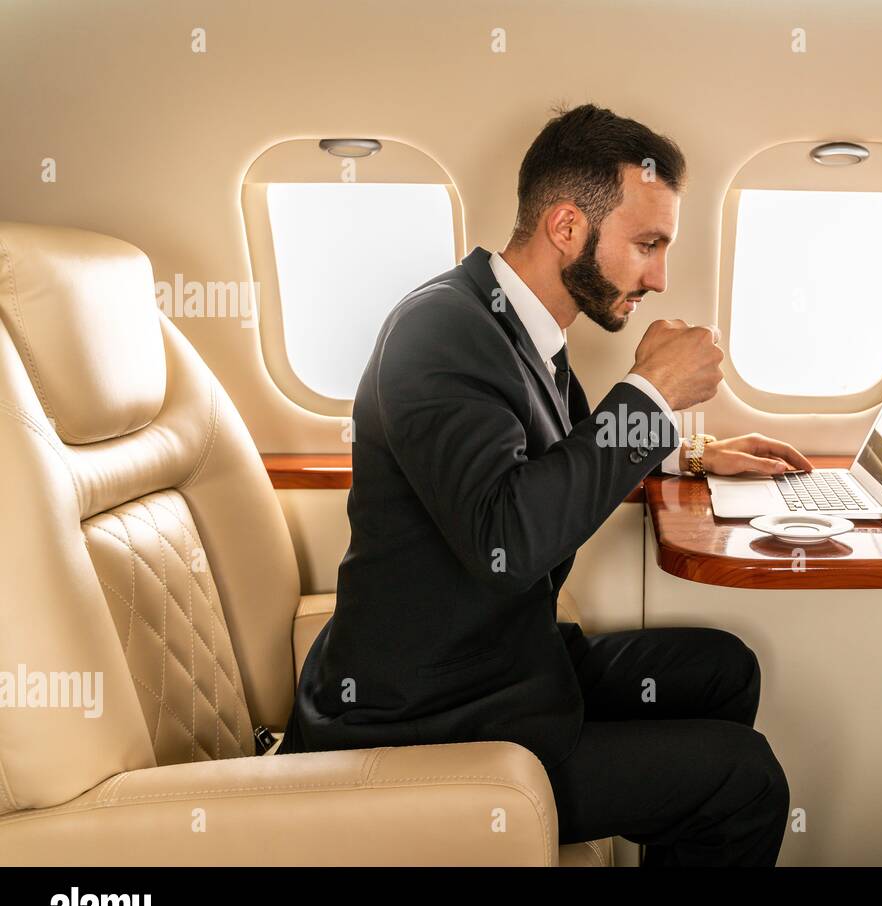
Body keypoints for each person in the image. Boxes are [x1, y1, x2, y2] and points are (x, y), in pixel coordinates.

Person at [279, 103, 812, 866]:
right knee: (747, 781)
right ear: (567, 227)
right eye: (648, 245)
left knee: (724, 668)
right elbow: (507, 537)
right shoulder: (440, 331)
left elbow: (552, 463)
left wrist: (687, 454)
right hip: (432, 714)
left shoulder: (520, 331)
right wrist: (651, 394)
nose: (659, 277)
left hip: (504, 663)